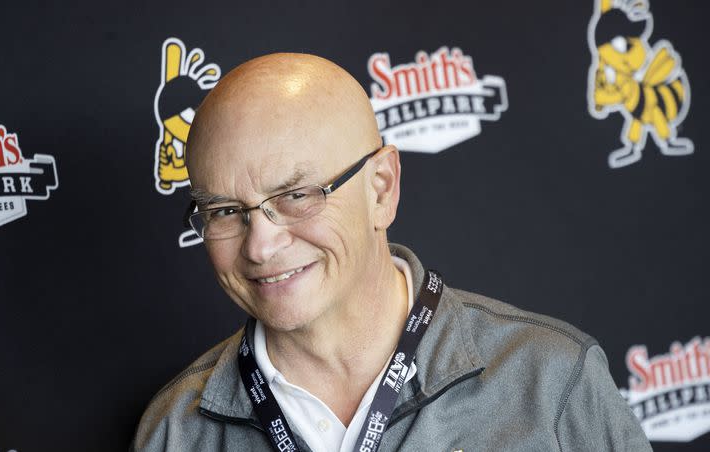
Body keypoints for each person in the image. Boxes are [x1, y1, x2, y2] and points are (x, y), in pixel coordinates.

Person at [132, 53, 651, 451]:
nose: (261, 245)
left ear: (381, 189)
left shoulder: (553, 380)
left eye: (296, 195)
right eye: (225, 211)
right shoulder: (175, 430)